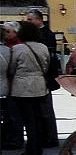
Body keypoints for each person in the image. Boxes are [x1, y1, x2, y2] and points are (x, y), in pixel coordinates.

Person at [8, 22, 50, 155]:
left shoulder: (18, 49)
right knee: (38, 117)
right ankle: (39, 145)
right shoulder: (43, 47)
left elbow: (12, 67)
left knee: (27, 118)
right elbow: (47, 65)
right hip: (39, 84)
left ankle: (31, 147)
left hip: (22, 86)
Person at [25, 9, 60, 147]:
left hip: (44, 76)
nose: (28, 22)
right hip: (42, 76)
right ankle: (46, 136)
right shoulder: (42, 34)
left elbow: (49, 58)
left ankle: (50, 137)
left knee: (45, 109)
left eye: (30, 19)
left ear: (39, 19)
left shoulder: (46, 35)